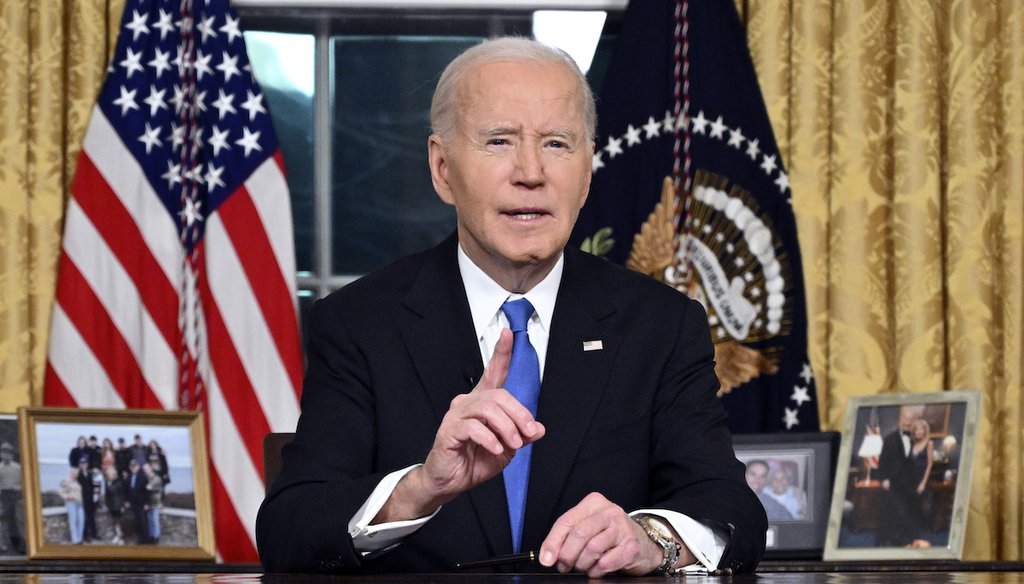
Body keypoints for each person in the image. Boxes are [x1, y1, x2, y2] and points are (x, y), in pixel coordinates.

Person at [256, 37, 766, 576]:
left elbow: (731, 510)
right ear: (442, 168)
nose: (530, 172)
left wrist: (650, 538)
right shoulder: (360, 323)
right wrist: (421, 488)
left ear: (588, 170)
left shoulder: (661, 325)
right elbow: (290, 528)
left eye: (557, 144)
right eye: (499, 141)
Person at [876, 406, 924, 546]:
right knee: (894, 513)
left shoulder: (917, 439)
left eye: (911, 419)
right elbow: (882, 463)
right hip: (893, 483)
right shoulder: (889, 439)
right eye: (905, 419)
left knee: (909, 513)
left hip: (910, 485)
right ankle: (890, 540)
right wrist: (884, 479)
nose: (907, 422)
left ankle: (906, 540)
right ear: (900, 419)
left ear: (915, 421)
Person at [0, 442, 23, 553]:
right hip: (4, 495)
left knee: (18, 519)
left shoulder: (18, 468)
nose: (5, 455)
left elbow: (23, 482)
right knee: (8, 520)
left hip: (17, 495)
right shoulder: (0, 468)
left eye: (8, 453)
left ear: (11, 455)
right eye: (3, 453)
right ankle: (12, 544)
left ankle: (21, 544)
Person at [125, 459, 150, 544]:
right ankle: (140, 539)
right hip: (133, 503)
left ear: (138, 467)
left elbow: (148, 491)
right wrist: (127, 501)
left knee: (143, 522)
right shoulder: (129, 476)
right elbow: (127, 490)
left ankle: (146, 540)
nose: (133, 468)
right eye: (131, 466)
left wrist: (147, 503)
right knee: (138, 521)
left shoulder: (143, 476)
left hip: (142, 503)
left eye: (135, 466)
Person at [103, 466, 128, 545]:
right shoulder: (107, 482)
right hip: (111, 505)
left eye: (110, 473)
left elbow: (123, 494)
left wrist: (123, 506)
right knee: (115, 521)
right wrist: (107, 504)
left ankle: (121, 537)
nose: (108, 475)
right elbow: (107, 495)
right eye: (107, 474)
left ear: (114, 474)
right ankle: (117, 535)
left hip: (118, 505)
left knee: (119, 521)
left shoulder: (119, 482)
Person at [60, 468, 84, 544]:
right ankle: (75, 540)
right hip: (71, 503)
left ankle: (80, 539)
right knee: (73, 521)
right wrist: (67, 497)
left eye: (76, 473)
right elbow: (61, 492)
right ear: (70, 473)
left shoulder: (77, 482)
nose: (75, 474)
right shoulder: (66, 481)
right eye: (73, 473)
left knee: (81, 521)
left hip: (79, 504)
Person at [142, 463, 164, 544]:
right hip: (148, 503)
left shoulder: (156, 478)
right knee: (150, 521)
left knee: (155, 521)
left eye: (147, 469)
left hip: (156, 503)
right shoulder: (145, 478)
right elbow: (145, 489)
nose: (145, 471)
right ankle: (151, 537)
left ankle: (156, 537)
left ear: (150, 469)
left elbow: (156, 488)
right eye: (144, 470)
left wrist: (150, 488)